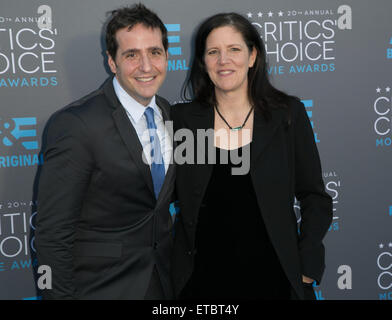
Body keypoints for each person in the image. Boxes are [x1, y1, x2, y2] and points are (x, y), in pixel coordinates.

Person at [170, 12, 333, 300]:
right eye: (213, 52)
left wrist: (306, 266)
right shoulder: (183, 120)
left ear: (252, 56)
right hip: (201, 283)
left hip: (274, 278)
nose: (224, 60)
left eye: (234, 49)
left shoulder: (287, 114)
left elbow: (315, 197)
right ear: (202, 61)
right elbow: (162, 197)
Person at [35, 4, 175, 299]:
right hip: (102, 288)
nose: (147, 66)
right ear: (112, 62)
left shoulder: (169, 114)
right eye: (131, 55)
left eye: (155, 52)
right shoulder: (76, 124)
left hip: (163, 282)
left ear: (166, 56)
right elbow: (52, 234)